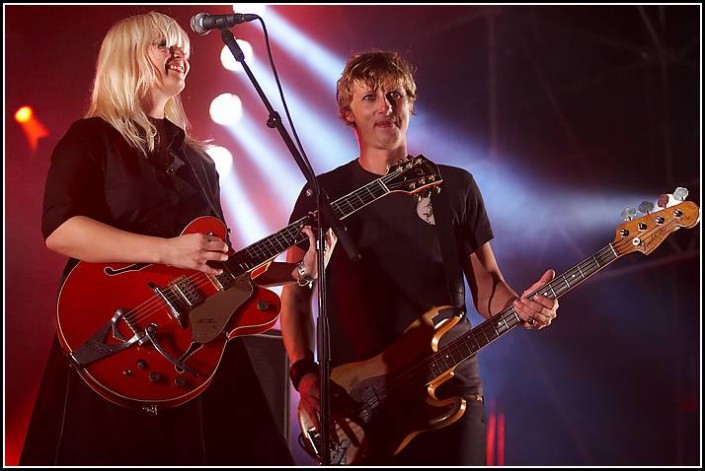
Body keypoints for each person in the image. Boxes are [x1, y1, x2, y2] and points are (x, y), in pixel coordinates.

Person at [20, 11, 332, 466]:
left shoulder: (200, 162)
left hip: (192, 346)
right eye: (163, 45)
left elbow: (219, 267)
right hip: (117, 335)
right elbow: (62, 229)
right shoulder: (91, 139)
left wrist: (298, 271)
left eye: (181, 46)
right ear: (127, 60)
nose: (179, 53)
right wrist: (166, 251)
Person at [279, 50, 560, 466]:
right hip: (359, 398)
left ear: (410, 103)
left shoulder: (455, 186)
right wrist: (304, 376)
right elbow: (296, 296)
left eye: (395, 95)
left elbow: (487, 289)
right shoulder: (322, 195)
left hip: (449, 384)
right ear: (347, 112)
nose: (385, 107)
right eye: (369, 97)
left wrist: (523, 305)